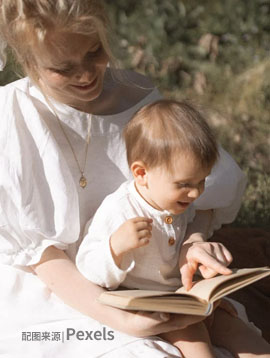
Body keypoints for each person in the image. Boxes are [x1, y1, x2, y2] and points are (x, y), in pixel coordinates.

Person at [0, 1, 267, 357]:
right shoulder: (14, 120)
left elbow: (193, 195)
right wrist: (124, 321)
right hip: (63, 288)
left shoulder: (139, 102)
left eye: (95, 52)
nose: (85, 75)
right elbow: (40, 255)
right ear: (29, 62)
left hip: (159, 280)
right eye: (63, 68)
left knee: (242, 342)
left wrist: (193, 242)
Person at [76, 99, 270, 358]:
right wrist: (115, 247)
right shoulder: (120, 210)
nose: (195, 192)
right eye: (184, 184)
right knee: (196, 343)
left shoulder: (180, 203)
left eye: (201, 181)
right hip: (153, 307)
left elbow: (187, 239)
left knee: (245, 338)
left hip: (186, 296)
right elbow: (87, 266)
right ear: (142, 173)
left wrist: (202, 267)